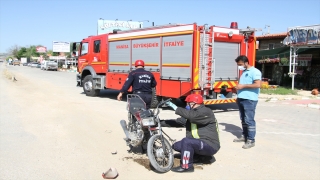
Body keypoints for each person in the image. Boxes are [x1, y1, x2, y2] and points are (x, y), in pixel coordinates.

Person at [165, 94, 220, 173]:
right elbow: (178, 122)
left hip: (210, 145)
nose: (187, 105)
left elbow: (192, 116)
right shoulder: (193, 113)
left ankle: (187, 167)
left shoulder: (206, 111)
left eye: (188, 103)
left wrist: (176, 108)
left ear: (194, 103)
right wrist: (159, 122)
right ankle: (198, 157)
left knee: (187, 142)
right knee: (176, 145)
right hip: (200, 143)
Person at [233, 55, 261, 149]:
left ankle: (251, 140)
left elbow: (257, 84)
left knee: (249, 120)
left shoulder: (255, 72)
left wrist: (243, 86)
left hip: (250, 99)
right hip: (242, 98)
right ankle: (244, 136)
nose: (239, 66)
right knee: (243, 119)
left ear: (246, 62)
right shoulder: (244, 72)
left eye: (240, 64)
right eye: (238, 65)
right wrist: (238, 96)